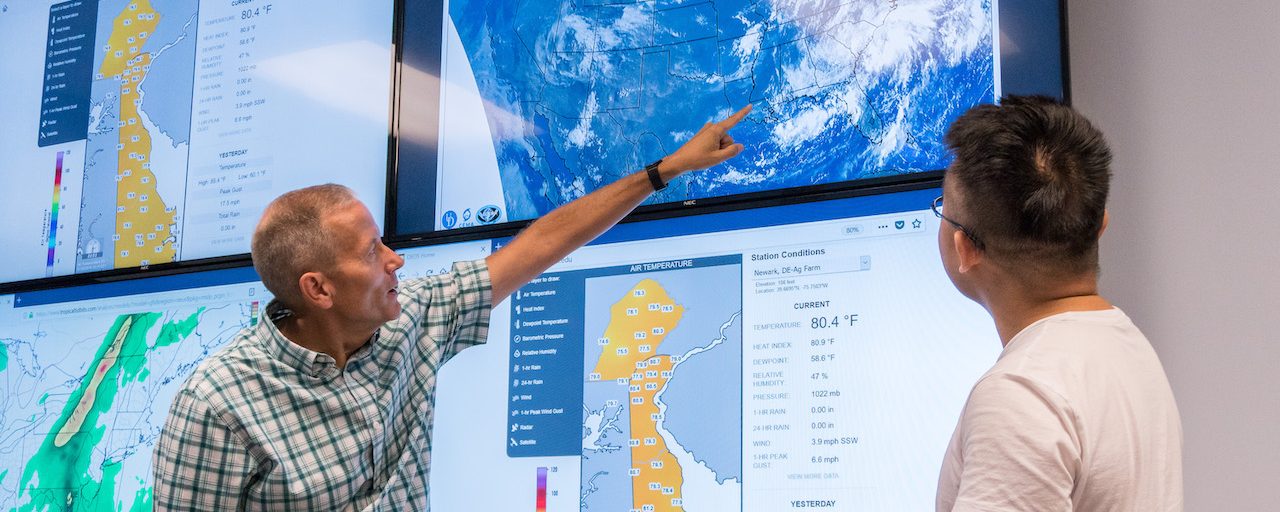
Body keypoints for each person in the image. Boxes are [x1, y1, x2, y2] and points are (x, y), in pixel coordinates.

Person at [152, 105, 752, 510]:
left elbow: (542, 242)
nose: (397, 261)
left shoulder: (412, 316)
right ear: (318, 290)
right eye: (371, 252)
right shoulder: (217, 407)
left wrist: (663, 171)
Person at [933, 96, 1182, 511]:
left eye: (943, 211)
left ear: (965, 249)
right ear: (1101, 224)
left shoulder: (1021, 394)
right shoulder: (1127, 346)